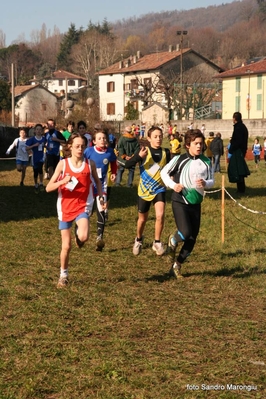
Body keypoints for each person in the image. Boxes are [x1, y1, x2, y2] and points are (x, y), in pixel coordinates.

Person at [46, 133, 104, 288]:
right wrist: (62, 181)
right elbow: (48, 188)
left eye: (83, 146)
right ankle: (63, 275)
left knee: (84, 236)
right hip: (65, 207)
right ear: (70, 147)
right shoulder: (62, 165)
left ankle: (79, 236)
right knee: (66, 247)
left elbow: (98, 182)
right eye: (77, 146)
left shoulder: (89, 163)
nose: (80, 149)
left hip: (82, 205)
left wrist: (101, 197)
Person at [161, 129, 214, 278]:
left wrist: (206, 183)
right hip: (180, 200)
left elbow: (212, 181)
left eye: (201, 143)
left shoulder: (206, 161)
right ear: (188, 145)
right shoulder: (179, 159)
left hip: (196, 203)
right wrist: (173, 185)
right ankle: (173, 239)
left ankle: (177, 265)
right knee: (185, 233)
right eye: (196, 143)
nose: (199, 146)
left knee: (192, 239)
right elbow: (163, 173)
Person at [125, 126, 171, 256]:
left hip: (159, 189)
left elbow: (170, 169)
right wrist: (138, 157)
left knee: (160, 215)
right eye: (155, 137)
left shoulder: (166, 152)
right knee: (142, 219)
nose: (158, 139)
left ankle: (157, 242)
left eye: (160, 136)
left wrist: (172, 177)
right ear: (149, 138)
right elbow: (128, 165)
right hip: (144, 191)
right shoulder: (143, 151)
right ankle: (138, 239)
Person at [84, 130, 117, 251]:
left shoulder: (109, 152)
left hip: (101, 185)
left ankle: (99, 237)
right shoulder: (89, 151)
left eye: (104, 138)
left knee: (101, 209)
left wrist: (113, 172)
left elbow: (113, 162)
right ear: (94, 141)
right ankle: (79, 230)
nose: (102, 140)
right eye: (99, 138)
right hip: (88, 185)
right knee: (86, 211)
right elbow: (81, 163)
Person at [228, 112, 249, 193]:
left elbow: (238, 141)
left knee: (238, 170)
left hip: (238, 150)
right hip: (241, 150)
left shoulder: (238, 128)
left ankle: (241, 189)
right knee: (238, 169)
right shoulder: (242, 127)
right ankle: (240, 188)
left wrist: (232, 147)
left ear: (234, 118)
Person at [26, 124, 46, 193]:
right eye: (37, 129)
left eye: (40, 129)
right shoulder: (32, 139)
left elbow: (44, 145)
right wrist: (34, 145)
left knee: (40, 170)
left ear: (42, 131)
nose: (38, 131)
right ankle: (35, 184)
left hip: (41, 157)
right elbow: (26, 148)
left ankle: (41, 183)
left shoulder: (44, 139)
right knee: (35, 172)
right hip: (34, 158)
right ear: (35, 131)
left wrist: (47, 147)